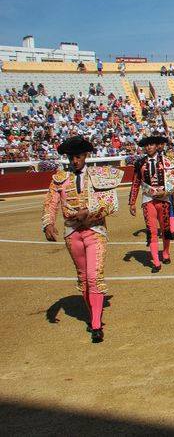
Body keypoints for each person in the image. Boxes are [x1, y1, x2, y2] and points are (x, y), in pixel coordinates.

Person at [42, 136, 123, 343]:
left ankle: (96, 323)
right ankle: (92, 315)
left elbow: (111, 204)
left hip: (95, 230)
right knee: (83, 278)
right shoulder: (59, 179)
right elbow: (51, 203)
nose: (74, 161)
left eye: (77, 157)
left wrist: (89, 211)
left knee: (94, 276)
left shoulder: (99, 175)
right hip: (72, 233)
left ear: (86, 156)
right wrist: (48, 223)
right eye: (71, 157)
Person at [129, 135, 174, 272]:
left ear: (156, 146)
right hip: (148, 200)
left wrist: (166, 192)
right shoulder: (140, 163)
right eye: (146, 145)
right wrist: (132, 203)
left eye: (151, 144)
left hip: (163, 199)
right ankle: (156, 263)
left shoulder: (168, 161)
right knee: (151, 231)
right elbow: (136, 183)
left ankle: (166, 253)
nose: (148, 147)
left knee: (165, 229)